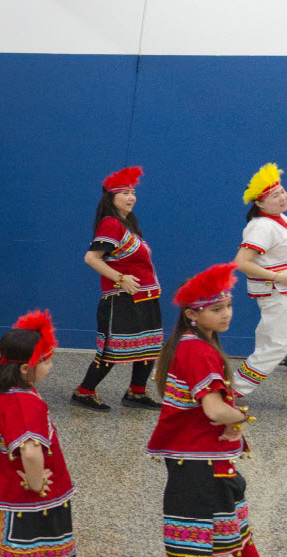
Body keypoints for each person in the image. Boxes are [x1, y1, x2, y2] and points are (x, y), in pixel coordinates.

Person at [134, 263, 287, 557]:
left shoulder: (193, 344)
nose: (226, 313)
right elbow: (214, 409)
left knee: (230, 522)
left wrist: (231, 419)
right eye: (216, 309)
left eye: (228, 305)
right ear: (192, 314)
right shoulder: (198, 350)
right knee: (202, 527)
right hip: (196, 456)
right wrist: (241, 417)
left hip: (203, 452)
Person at [0, 311, 131, 557]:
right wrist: (35, 482)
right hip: (29, 495)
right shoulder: (25, 402)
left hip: (11, 487)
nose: (51, 366)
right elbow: (31, 451)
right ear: (25, 368)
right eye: (46, 360)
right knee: (28, 550)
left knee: (54, 545)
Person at [230, 163, 287, 410]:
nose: (282, 197)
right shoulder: (260, 226)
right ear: (259, 203)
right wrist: (276, 277)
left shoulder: (280, 219)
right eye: (275, 195)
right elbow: (241, 262)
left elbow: (281, 253)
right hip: (280, 294)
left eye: (282, 191)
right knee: (275, 344)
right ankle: (231, 390)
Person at [71, 167, 164, 412]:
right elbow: (91, 258)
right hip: (122, 299)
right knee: (112, 349)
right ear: (110, 198)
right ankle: (84, 392)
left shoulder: (127, 225)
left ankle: (137, 392)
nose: (131, 197)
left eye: (133, 193)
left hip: (144, 297)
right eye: (125, 193)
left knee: (148, 347)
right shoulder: (111, 224)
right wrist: (120, 278)